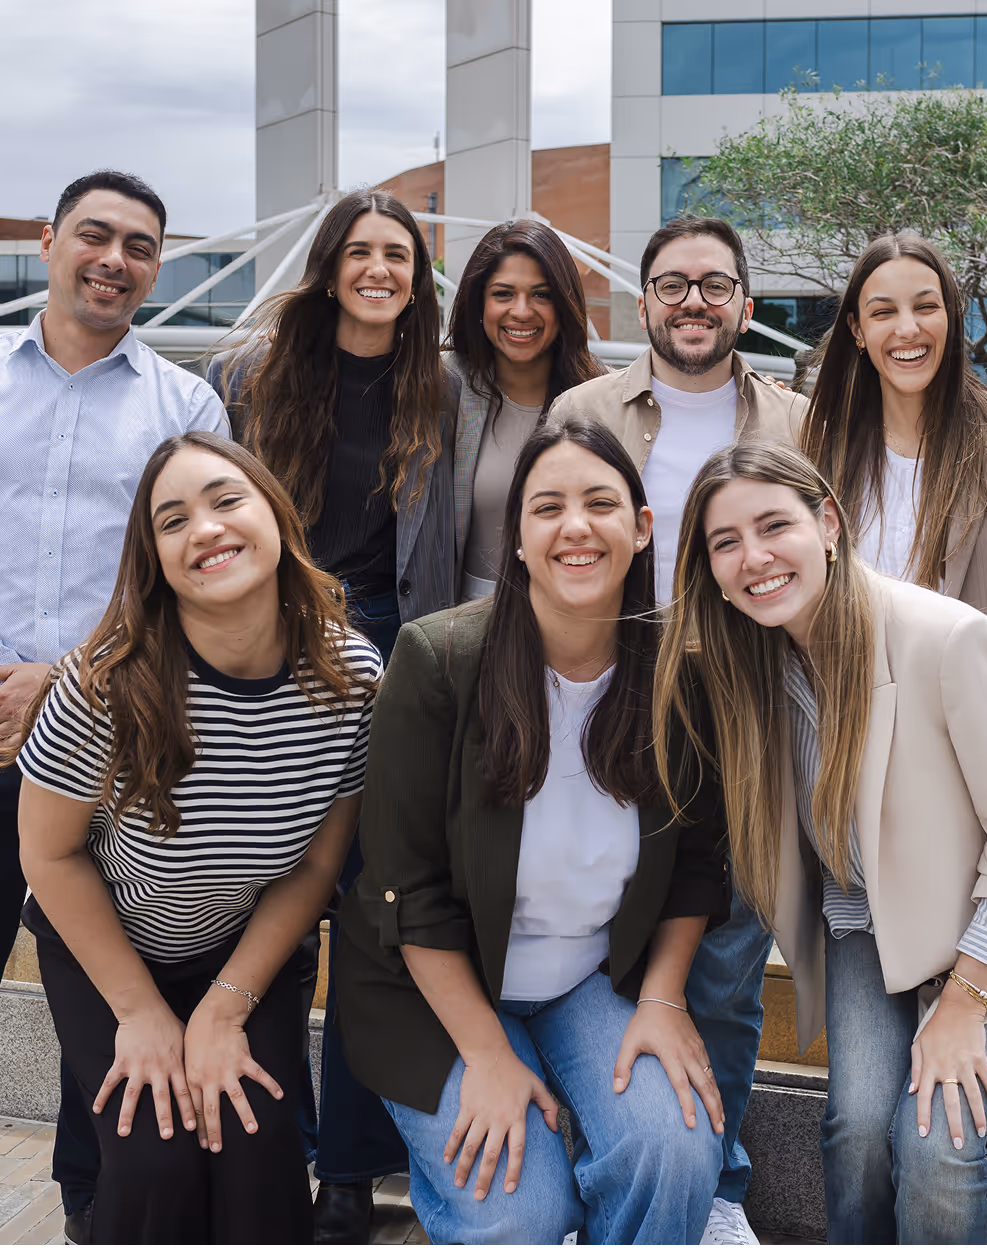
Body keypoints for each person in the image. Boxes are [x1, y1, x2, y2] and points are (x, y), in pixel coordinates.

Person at [654, 439, 987, 1244]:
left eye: (772, 526)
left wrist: (964, 1004)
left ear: (827, 520)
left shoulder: (947, 640)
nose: (753, 558)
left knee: (936, 1141)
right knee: (857, 1132)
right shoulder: (747, 660)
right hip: (868, 914)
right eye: (725, 543)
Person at [335, 418, 730, 1245]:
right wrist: (484, 1056)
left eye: (599, 503)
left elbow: (697, 863)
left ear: (642, 526)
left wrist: (661, 998)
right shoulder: (439, 659)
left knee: (675, 1149)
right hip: (435, 992)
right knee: (523, 1210)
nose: (575, 527)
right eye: (546, 507)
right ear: (516, 537)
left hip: (591, 977)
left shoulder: (681, 674)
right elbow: (403, 888)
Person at [4, 431, 381, 1243]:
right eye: (171, 521)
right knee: (154, 1162)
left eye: (225, 500)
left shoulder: (351, 679)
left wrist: (224, 1008)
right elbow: (48, 855)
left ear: (276, 517)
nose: (204, 528)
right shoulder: (99, 686)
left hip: (247, 946)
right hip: (110, 946)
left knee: (257, 1147)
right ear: (155, 559)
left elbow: (319, 863)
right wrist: (140, 1010)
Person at [550, 215, 807, 1245]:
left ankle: (717, 1189)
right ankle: (605, 1174)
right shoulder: (584, 411)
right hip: (609, 714)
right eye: (670, 284)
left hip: (746, 718)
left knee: (728, 967)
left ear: (743, 303)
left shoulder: (800, 419)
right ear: (641, 301)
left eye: (713, 284)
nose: (691, 301)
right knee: (595, 949)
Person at [210, 187, 453, 1241]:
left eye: (397, 255)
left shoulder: (443, 387)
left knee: (367, 915)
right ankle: (271, 1149)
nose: (379, 270)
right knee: (258, 907)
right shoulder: (251, 376)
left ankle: (348, 1172)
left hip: (392, 668)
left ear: (417, 276)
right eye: (360, 251)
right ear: (328, 263)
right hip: (270, 649)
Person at [0, 169, 230, 1242]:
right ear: (48, 242)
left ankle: (94, 1213)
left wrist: (63, 677)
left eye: (140, 246)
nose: (115, 259)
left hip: (106, 739)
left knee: (98, 994)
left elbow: (198, 570)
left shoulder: (183, 406)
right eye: (95, 236)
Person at [803, 231, 987, 1240]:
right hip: (856, 839)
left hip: (982, 833)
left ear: (950, 315)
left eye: (925, 306)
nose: (908, 329)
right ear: (853, 331)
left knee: (941, 1126)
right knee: (857, 1124)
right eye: (883, 311)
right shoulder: (815, 458)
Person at [446, 218, 603, 600]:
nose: (521, 311)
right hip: (465, 622)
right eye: (503, 294)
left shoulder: (602, 396)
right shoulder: (442, 384)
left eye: (541, 295)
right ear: (478, 302)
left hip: (574, 615)